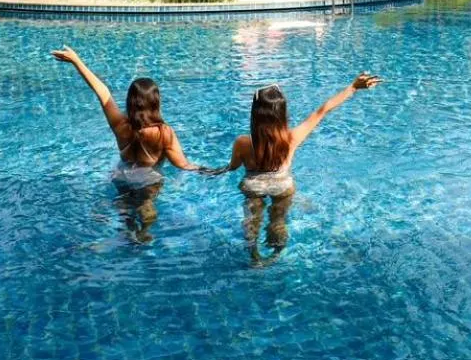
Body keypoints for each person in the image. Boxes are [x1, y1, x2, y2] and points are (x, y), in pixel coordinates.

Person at [210, 72, 382, 259]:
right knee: (278, 221)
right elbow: (322, 111)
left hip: (253, 186)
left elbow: (233, 167)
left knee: (252, 220)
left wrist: (217, 170)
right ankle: (276, 253)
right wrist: (353, 87)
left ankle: (254, 256)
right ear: (282, 114)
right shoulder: (291, 138)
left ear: (255, 115)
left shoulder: (243, 142)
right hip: (282, 186)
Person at [51, 46, 198, 241]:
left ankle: (129, 233)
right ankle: (143, 233)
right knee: (146, 205)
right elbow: (182, 164)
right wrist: (208, 170)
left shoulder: (120, 124)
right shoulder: (164, 132)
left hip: (122, 175)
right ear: (155, 102)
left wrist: (76, 61)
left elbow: (102, 93)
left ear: (130, 101)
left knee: (126, 209)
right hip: (148, 179)